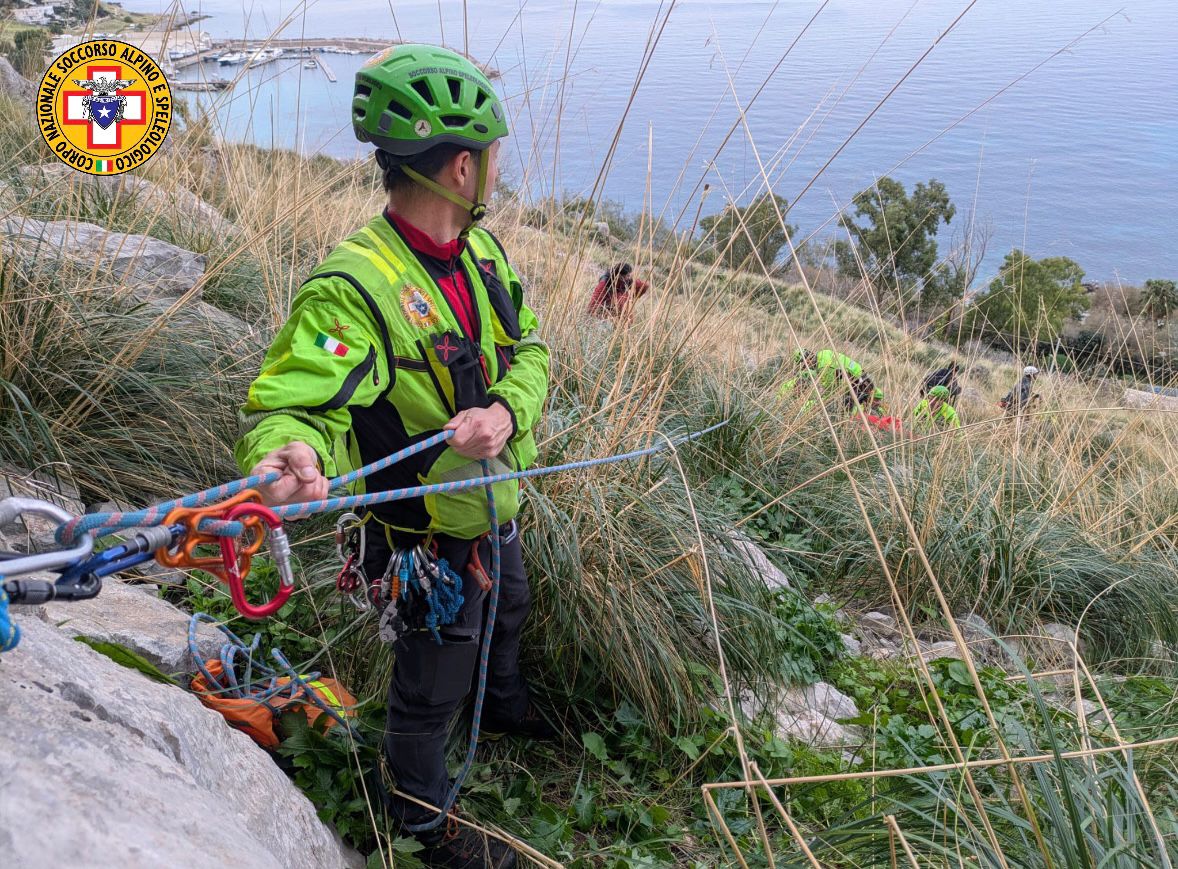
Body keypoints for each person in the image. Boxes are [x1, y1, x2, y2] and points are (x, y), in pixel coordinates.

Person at [233, 44, 551, 868]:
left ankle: (509, 702)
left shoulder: (482, 255)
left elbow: (533, 352)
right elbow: (297, 402)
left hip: (495, 500)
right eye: (489, 156)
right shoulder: (355, 287)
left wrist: (506, 415)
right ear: (458, 165)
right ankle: (419, 824)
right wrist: (290, 451)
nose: (494, 169)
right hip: (423, 542)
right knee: (428, 687)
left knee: (509, 607)